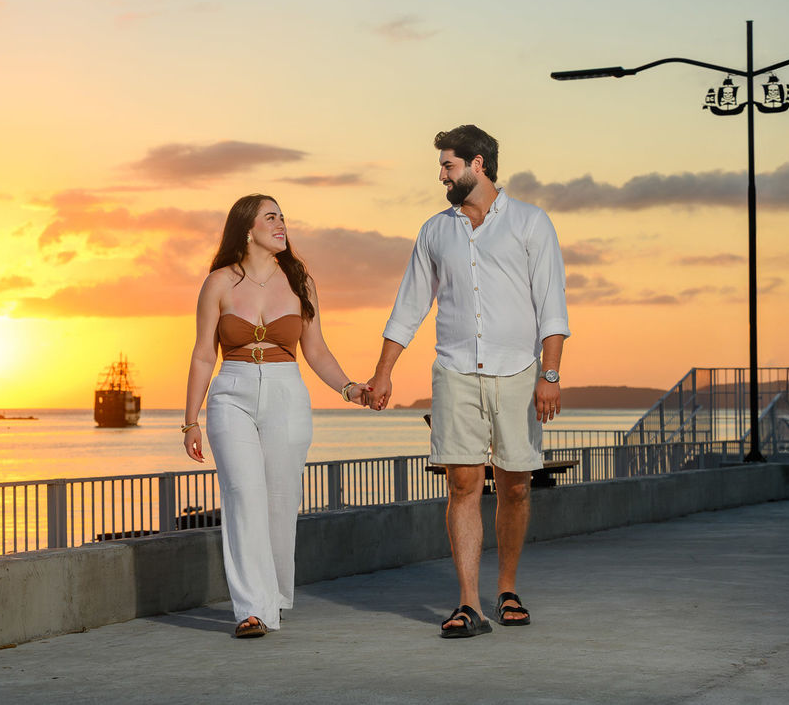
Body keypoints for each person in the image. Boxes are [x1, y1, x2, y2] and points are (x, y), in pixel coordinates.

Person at [366, 125, 569, 639]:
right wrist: (384, 372)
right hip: (455, 371)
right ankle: (468, 605)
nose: (441, 175)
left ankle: (506, 589)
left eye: (448, 165)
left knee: (516, 486)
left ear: (478, 164)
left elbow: (552, 306)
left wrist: (550, 374)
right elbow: (409, 305)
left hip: (520, 374)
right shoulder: (435, 230)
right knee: (462, 483)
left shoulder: (530, 222)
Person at [182, 194, 370, 638]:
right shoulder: (218, 283)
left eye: (283, 217)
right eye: (272, 217)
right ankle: (253, 608)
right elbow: (203, 354)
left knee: (281, 502)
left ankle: (275, 597)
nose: (282, 224)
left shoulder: (301, 282)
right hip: (232, 393)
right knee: (243, 495)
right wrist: (190, 419)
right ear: (247, 229)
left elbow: (317, 351)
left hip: (287, 393)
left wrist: (349, 388)